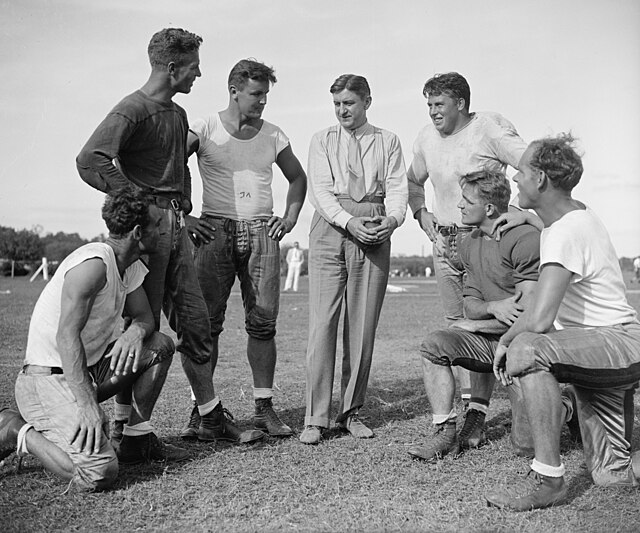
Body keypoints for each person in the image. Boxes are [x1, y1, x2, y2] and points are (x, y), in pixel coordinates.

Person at [76, 29, 255, 445]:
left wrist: (183, 211)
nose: (199, 74)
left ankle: (210, 418)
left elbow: (180, 168)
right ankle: (128, 428)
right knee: (145, 327)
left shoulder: (177, 114)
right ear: (172, 68)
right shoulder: (132, 109)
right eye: (193, 67)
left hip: (176, 230)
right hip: (145, 232)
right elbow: (90, 159)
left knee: (197, 324)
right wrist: (136, 200)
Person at [486, 134, 640, 511]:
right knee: (612, 476)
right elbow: (562, 216)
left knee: (527, 348)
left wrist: (505, 341)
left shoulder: (564, 233)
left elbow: (540, 319)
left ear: (540, 178)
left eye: (521, 171)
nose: (515, 178)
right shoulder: (577, 215)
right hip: (604, 352)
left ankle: (549, 480)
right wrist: (528, 216)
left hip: (616, 345)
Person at [0, 187, 188, 492]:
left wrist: (135, 332)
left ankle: (134, 439)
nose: (163, 230)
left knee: (159, 345)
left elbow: (144, 318)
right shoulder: (93, 264)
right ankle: (14, 429)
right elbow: (66, 336)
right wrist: (87, 404)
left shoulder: (129, 266)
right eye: (157, 224)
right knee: (99, 472)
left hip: (85, 373)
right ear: (138, 233)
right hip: (47, 380)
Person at [181, 59, 307, 439]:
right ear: (234, 91)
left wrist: (289, 218)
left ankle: (264, 409)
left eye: (266, 94)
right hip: (213, 231)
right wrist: (184, 215)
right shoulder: (205, 127)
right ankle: (202, 410)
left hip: (262, 234)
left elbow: (297, 177)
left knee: (263, 324)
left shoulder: (273, 134)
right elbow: (172, 165)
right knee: (206, 327)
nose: (263, 101)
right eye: (256, 94)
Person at [407, 72, 533, 447]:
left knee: (489, 323)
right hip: (444, 241)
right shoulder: (426, 137)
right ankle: (461, 414)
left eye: (440, 104)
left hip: (484, 238)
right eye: (429, 104)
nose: (433, 111)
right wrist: (421, 213)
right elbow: (413, 181)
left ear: (460, 103)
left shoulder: (488, 127)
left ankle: (477, 415)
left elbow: (531, 167)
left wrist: (519, 213)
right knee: (457, 326)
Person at [408, 170, 549, 461]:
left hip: (523, 345)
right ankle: (445, 433)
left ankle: (567, 404)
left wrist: (477, 324)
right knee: (434, 344)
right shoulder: (471, 241)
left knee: (526, 446)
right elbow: (471, 304)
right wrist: (491, 309)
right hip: (492, 341)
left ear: (489, 208)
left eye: (467, 200)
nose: (459, 205)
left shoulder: (524, 238)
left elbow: (529, 315)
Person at [301, 74, 408, 444]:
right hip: (331, 225)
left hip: (375, 225)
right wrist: (349, 222)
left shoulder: (387, 140)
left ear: (366, 102)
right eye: (336, 104)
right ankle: (315, 418)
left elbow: (398, 188)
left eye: (348, 103)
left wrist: (392, 220)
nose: (342, 110)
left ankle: (351, 412)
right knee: (322, 324)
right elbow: (320, 192)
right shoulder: (322, 140)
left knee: (361, 326)